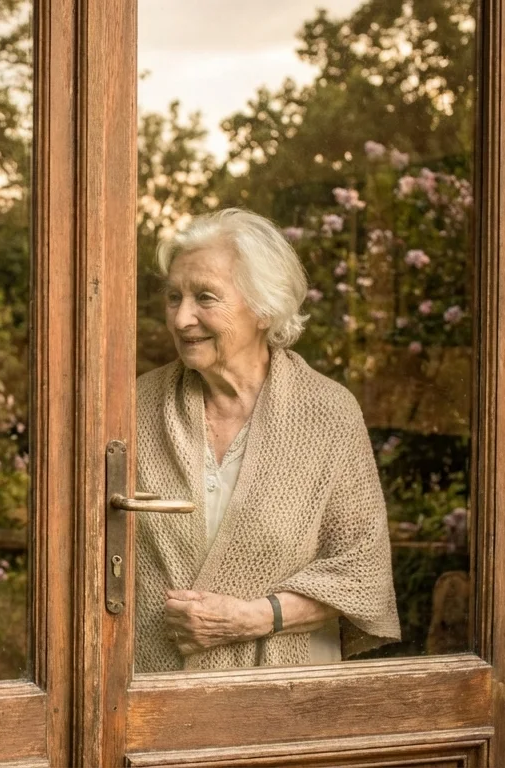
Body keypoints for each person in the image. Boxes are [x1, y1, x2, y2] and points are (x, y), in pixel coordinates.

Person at [134, 208, 400, 672]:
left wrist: (251, 619)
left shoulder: (326, 415)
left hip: (282, 691)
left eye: (205, 298)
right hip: (146, 687)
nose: (181, 319)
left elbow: (362, 574)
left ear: (264, 307)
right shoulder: (133, 406)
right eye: (173, 297)